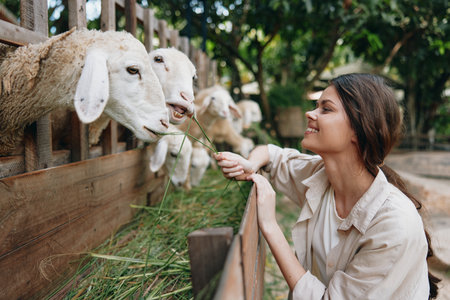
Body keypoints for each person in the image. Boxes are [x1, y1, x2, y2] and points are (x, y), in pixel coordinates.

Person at [214, 73, 439, 299]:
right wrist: (250, 164)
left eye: (326, 109)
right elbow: (273, 155)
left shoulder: (394, 224)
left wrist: (270, 226)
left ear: (358, 129)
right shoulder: (321, 176)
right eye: (316, 106)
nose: (309, 113)